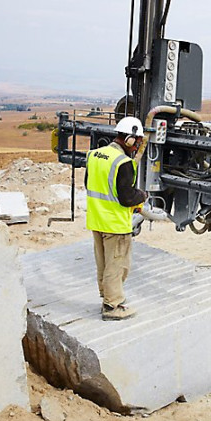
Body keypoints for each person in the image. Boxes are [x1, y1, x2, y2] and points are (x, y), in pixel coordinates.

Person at [85, 116, 146, 320]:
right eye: (137, 141)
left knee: (103, 263)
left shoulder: (94, 155)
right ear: (129, 139)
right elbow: (127, 198)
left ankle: (107, 296)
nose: (137, 146)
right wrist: (143, 196)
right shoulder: (123, 162)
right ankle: (112, 307)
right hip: (115, 224)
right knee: (117, 265)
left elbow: (89, 184)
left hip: (96, 219)